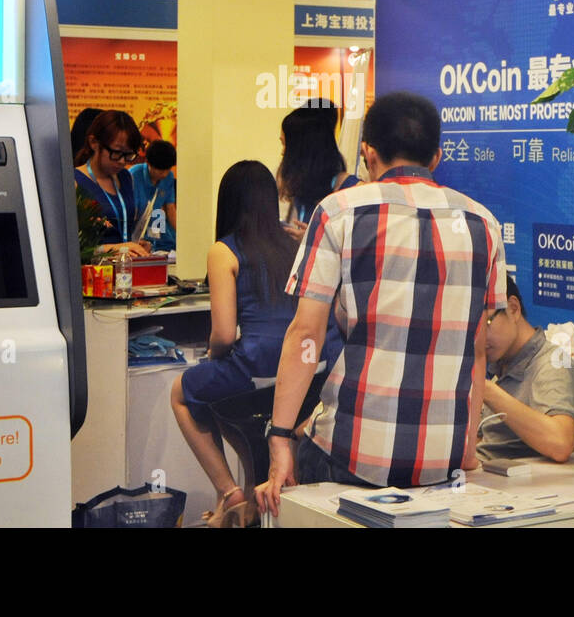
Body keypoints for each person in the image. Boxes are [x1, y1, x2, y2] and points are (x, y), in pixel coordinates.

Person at [255, 92, 506, 515]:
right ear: (437, 157)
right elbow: (476, 349)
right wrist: (465, 450)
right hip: (441, 460)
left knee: (303, 453)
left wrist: (280, 437)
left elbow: (306, 333)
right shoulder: (484, 223)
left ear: (368, 154)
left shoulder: (338, 212)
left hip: (351, 454)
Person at [168, 161, 340, 527]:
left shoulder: (223, 251)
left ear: (227, 201)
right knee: (232, 415)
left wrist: (212, 357)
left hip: (256, 369)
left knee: (183, 393)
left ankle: (229, 490)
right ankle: (249, 496)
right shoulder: (294, 244)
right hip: (306, 371)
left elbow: (224, 335)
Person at [478, 276, 574, 463]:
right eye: (471, 329)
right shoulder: (499, 362)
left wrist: (487, 391)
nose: (478, 338)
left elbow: (560, 444)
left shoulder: (551, 364)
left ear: (513, 309)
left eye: (486, 325)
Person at [277, 100, 359, 239]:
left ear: (304, 150)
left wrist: (315, 242)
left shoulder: (352, 191)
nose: (283, 152)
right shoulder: (299, 187)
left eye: (286, 145)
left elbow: (357, 246)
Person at [74, 109, 149, 257]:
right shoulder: (75, 182)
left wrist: (136, 244)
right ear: (94, 143)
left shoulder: (126, 178)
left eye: (128, 155)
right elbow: (71, 247)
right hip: (94, 273)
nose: (122, 161)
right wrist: (113, 249)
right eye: (116, 152)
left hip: (126, 270)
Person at [127, 139, 176, 252]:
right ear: (148, 163)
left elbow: (170, 208)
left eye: (167, 170)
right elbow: (129, 212)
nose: (164, 174)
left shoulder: (169, 177)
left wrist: (182, 236)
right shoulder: (133, 175)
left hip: (155, 227)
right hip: (135, 230)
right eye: (160, 171)